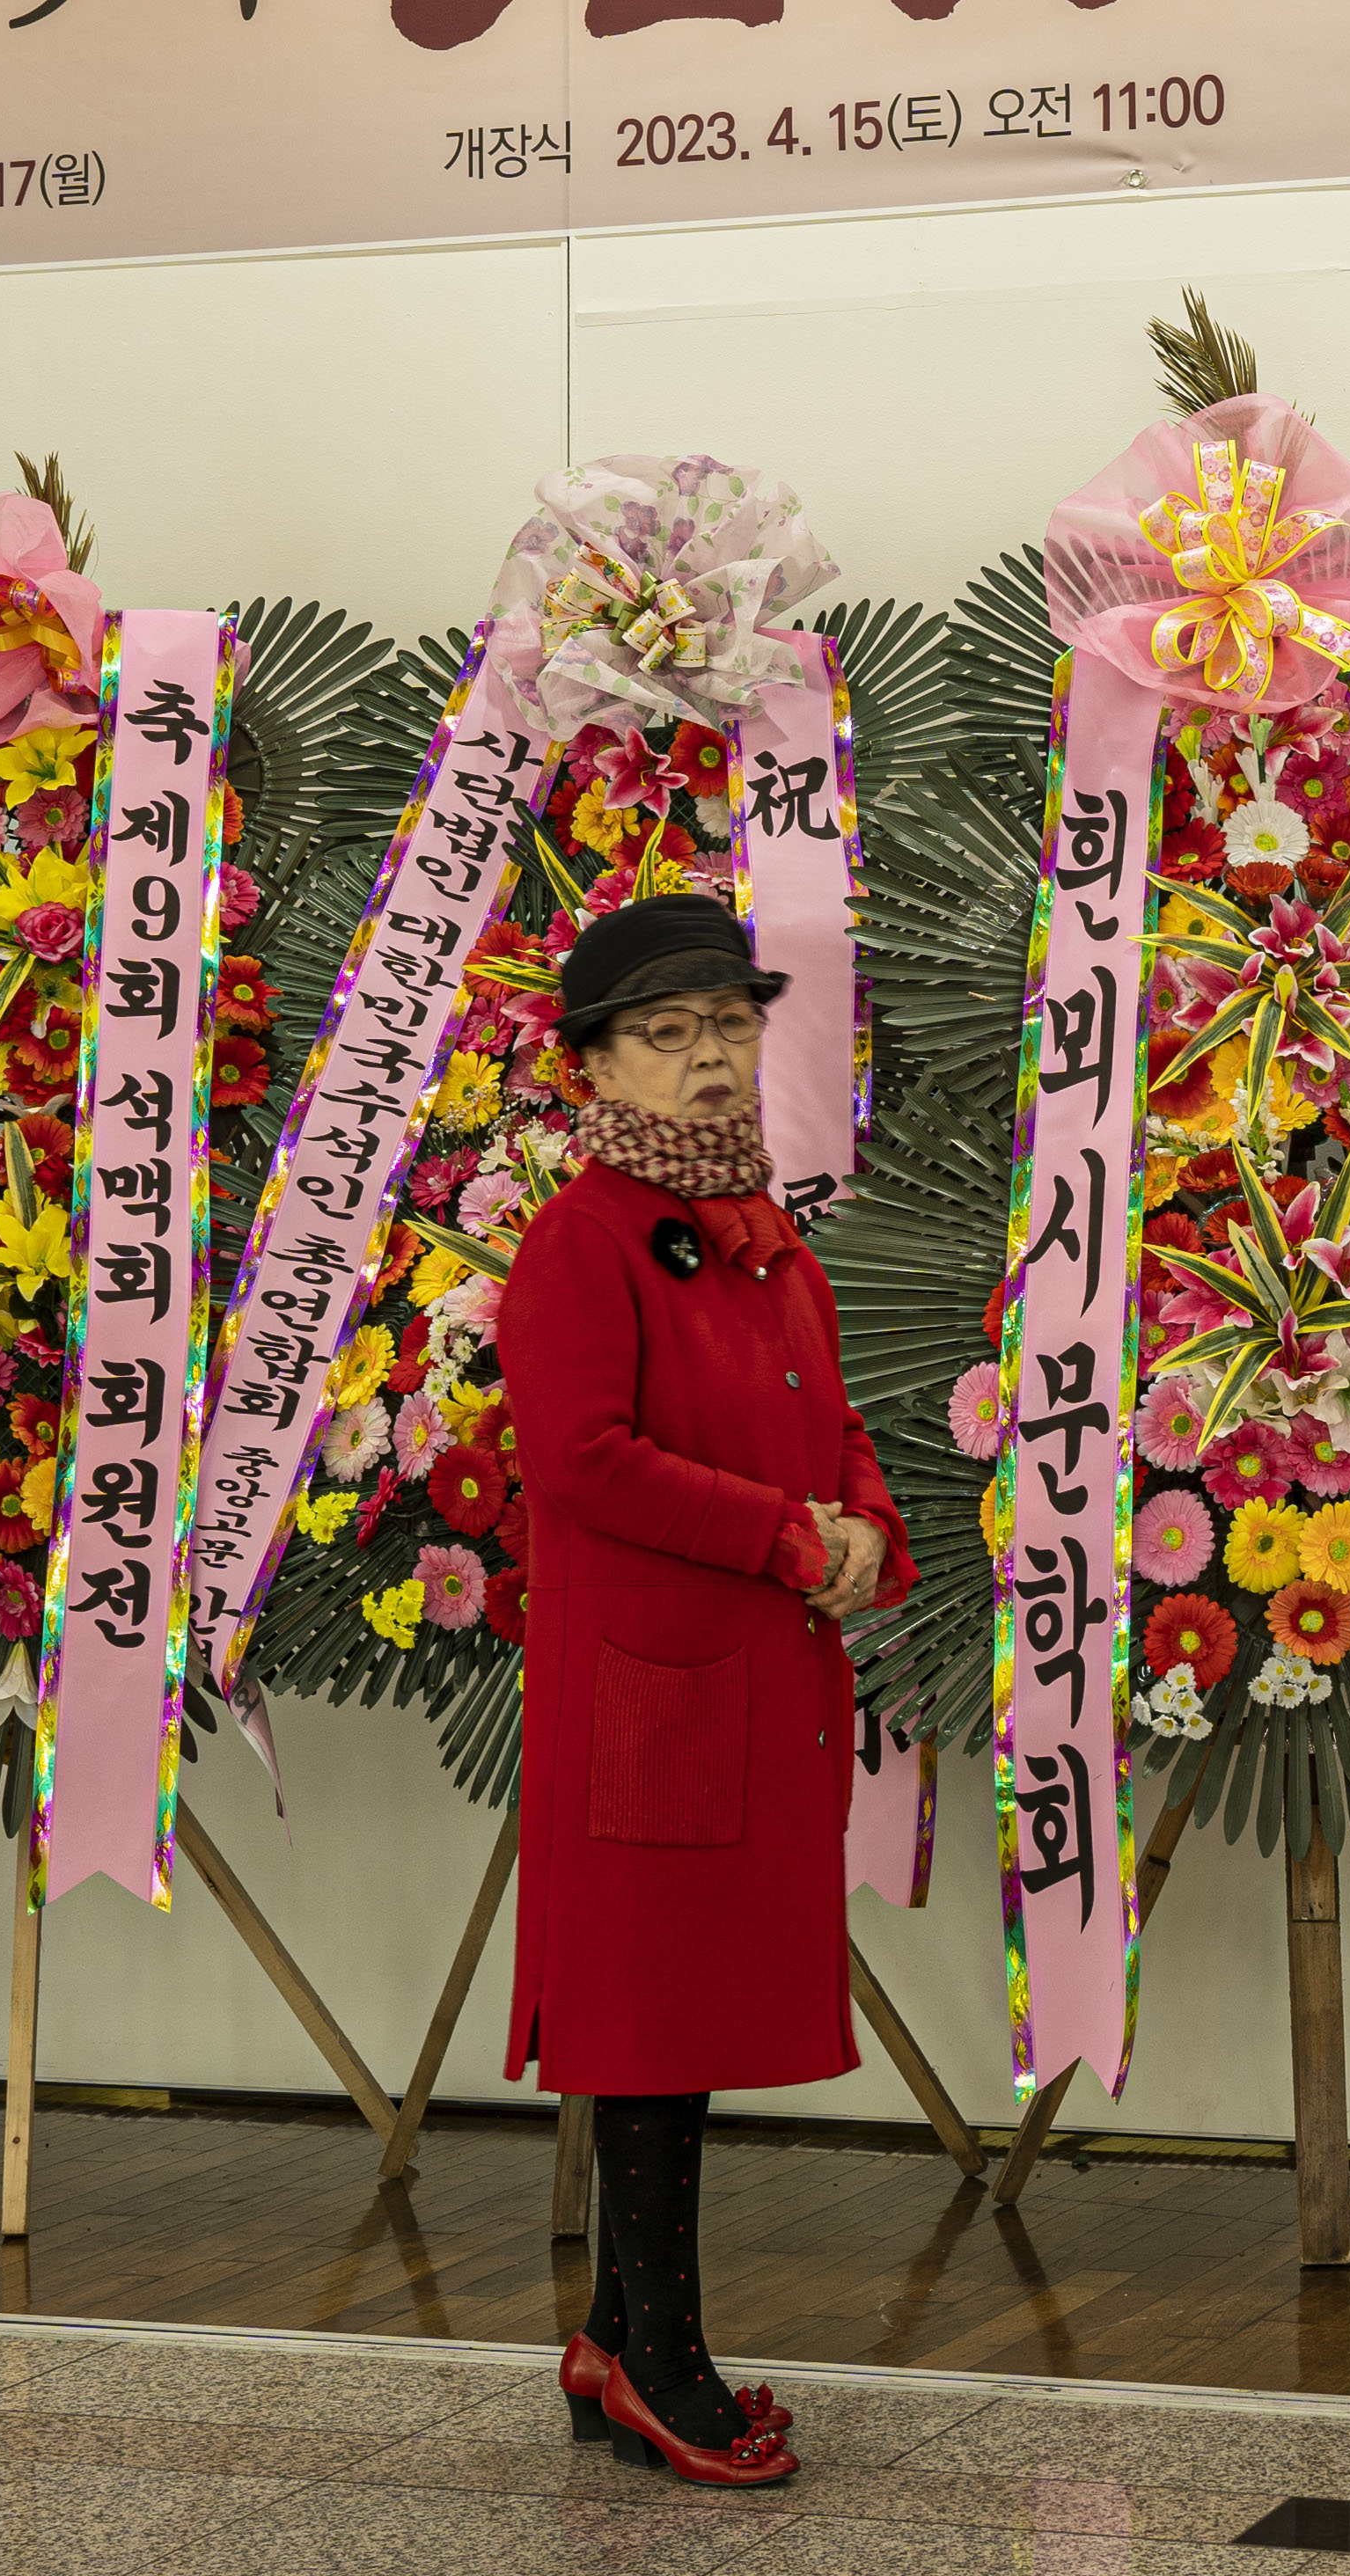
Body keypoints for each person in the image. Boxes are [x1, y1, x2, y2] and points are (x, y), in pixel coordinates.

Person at [496, 894, 908, 2491]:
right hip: (647, 1695)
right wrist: (784, 1534)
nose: (710, 1058)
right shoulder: (583, 1237)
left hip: (753, 1676)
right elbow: (579, 1458)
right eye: (667, 1035)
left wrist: (860, 1521)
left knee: (685, 2015)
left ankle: (614, 2340)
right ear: (598, 1068)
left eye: (729, 1025)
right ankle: (666, 2365)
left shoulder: (761, 1228)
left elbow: (829, 1411)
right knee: (651, 2025)